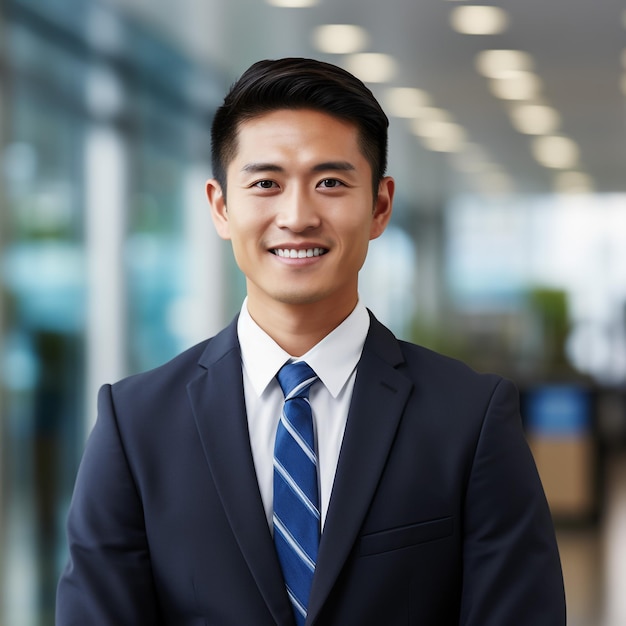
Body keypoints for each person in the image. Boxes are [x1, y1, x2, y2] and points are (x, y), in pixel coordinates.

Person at [56, 57, 566, 625]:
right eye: (266, 183)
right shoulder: (135, 424)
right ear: (221, 206)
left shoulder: (470, 417)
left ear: (379, 206)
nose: (297, 216)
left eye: (330, 183)